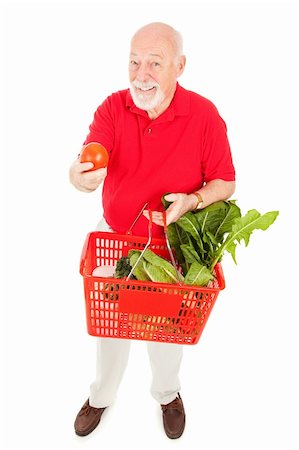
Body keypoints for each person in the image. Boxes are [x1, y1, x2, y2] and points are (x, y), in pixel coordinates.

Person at [69, 22, 235, 440]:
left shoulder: (204, 116)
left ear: (179, 66)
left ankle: (167, 394)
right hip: (116, 236)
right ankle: (102, 396)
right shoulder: (113, 107)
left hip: (170, 247)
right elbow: (93, 153)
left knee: (167, 332)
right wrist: (80, 174)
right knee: (109, 326)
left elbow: (225, 182)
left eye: (155, 63)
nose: (141, 75)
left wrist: (193, 201)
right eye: (134, 62)